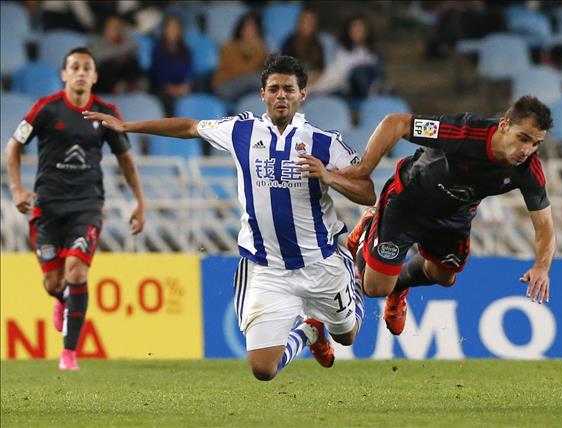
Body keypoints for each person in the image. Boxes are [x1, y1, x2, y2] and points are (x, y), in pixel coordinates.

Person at [83, 55, 375, 381]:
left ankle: (333, 299)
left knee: (347, 335)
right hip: (268, 269)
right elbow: (190, 127)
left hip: (321, 263)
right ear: (262, 94)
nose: (281, 95)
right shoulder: (241, 131)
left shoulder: (325, 143)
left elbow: (367, 191)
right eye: (274, 88)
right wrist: (126, 126)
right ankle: (310, 333)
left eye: (289, 89)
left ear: (302, 94)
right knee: (263, 369)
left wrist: (329, 177)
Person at [342, 96, 556, 336]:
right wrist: (364, 169)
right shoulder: (464, 132)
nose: (527, 150)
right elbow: (396, 123)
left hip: (453, 218)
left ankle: (399, 288)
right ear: (504, 125)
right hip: (408, 202)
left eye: (536, 144)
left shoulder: (528, 170)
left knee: (444, 277)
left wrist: (541, 266)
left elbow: (545, 225)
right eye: (523, 138)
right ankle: (370, 226)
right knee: (374, 287)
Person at [5, 47, 146, 370]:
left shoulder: (106, 113)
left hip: (88, 205)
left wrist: (140, 201)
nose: (81, 72)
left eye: (87, 68)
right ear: (64, 74)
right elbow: (13, 146)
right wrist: (16, 188)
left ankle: (69, 353)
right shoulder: (46, 109)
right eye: (75, 67)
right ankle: (62, 299)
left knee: (77, 271)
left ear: (95, 76)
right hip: (48, 207)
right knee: (53, 282)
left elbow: (125, 159)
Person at [310, 15, 385, 102]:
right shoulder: (342, 50)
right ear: (349, 32)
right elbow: (343, 73)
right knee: (358, 71)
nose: (358, 32)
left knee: (374, 67)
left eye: (361, 29)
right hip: (349, 86)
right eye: (355, 29)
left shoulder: (371, 51)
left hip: (370, 81)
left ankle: (381, 90)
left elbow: (376, 71)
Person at [212, 13, 269, 103]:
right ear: (240, 29)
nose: (249, 32)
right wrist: (257, 52)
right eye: (246, 28)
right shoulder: (229, 47)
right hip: (224, 87)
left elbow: (265, 69)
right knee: (255, 79)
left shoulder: (260, 48)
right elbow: (240, 71)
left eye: (253, 29)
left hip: (246, 88)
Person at [150, 15, 193, 115]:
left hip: (181, 88)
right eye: (171, 28)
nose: (174, 31)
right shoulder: (157, 50)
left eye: (177, 28)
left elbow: (189, 73)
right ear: (165, 30)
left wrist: (185, 87)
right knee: (166, 100)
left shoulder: (186, 50)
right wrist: (171, 88)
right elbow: (157, 74)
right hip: (162, 89)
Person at [90, 16, 142, 94]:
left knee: (132, 62)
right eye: (111, 27)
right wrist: (118, 55)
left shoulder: (124, 41)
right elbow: (99, 57)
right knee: (108, 65)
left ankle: (131, 85)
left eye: (117, 27)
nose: (114, 30)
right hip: (101, 79)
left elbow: (135, 46)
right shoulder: (97, 42)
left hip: (119, 75)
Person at [281, 10, 325, 86]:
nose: (310, 25)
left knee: (336, 75)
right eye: (307, 22)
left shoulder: (318, 43)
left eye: (312, 22)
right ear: (299, 23)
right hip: (295, 80)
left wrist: (316, 75)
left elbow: (321, 69)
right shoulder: (289, 42)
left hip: (315, 82)